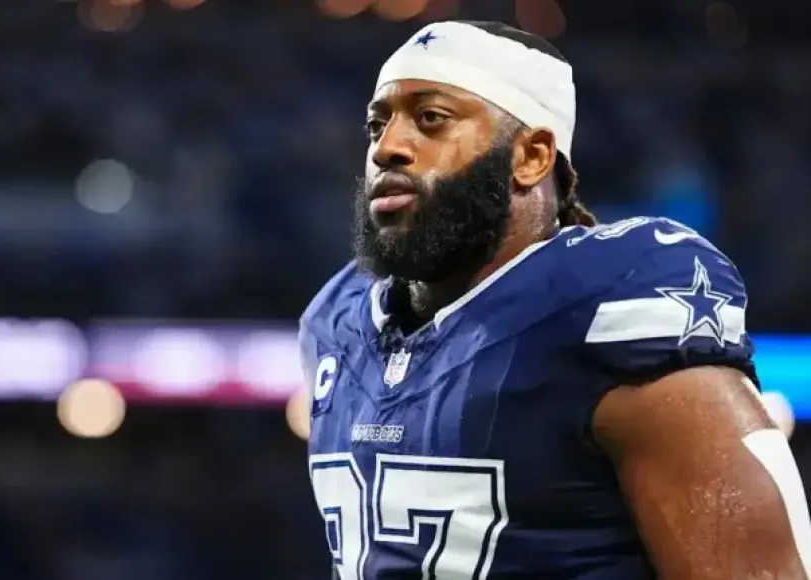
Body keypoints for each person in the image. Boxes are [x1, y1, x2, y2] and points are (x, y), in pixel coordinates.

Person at [299, 21, 811, 579]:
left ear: (532, 156)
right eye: (378, 124)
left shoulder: (607, 309)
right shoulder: (338, 320)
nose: (387, 148)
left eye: (432, 119)